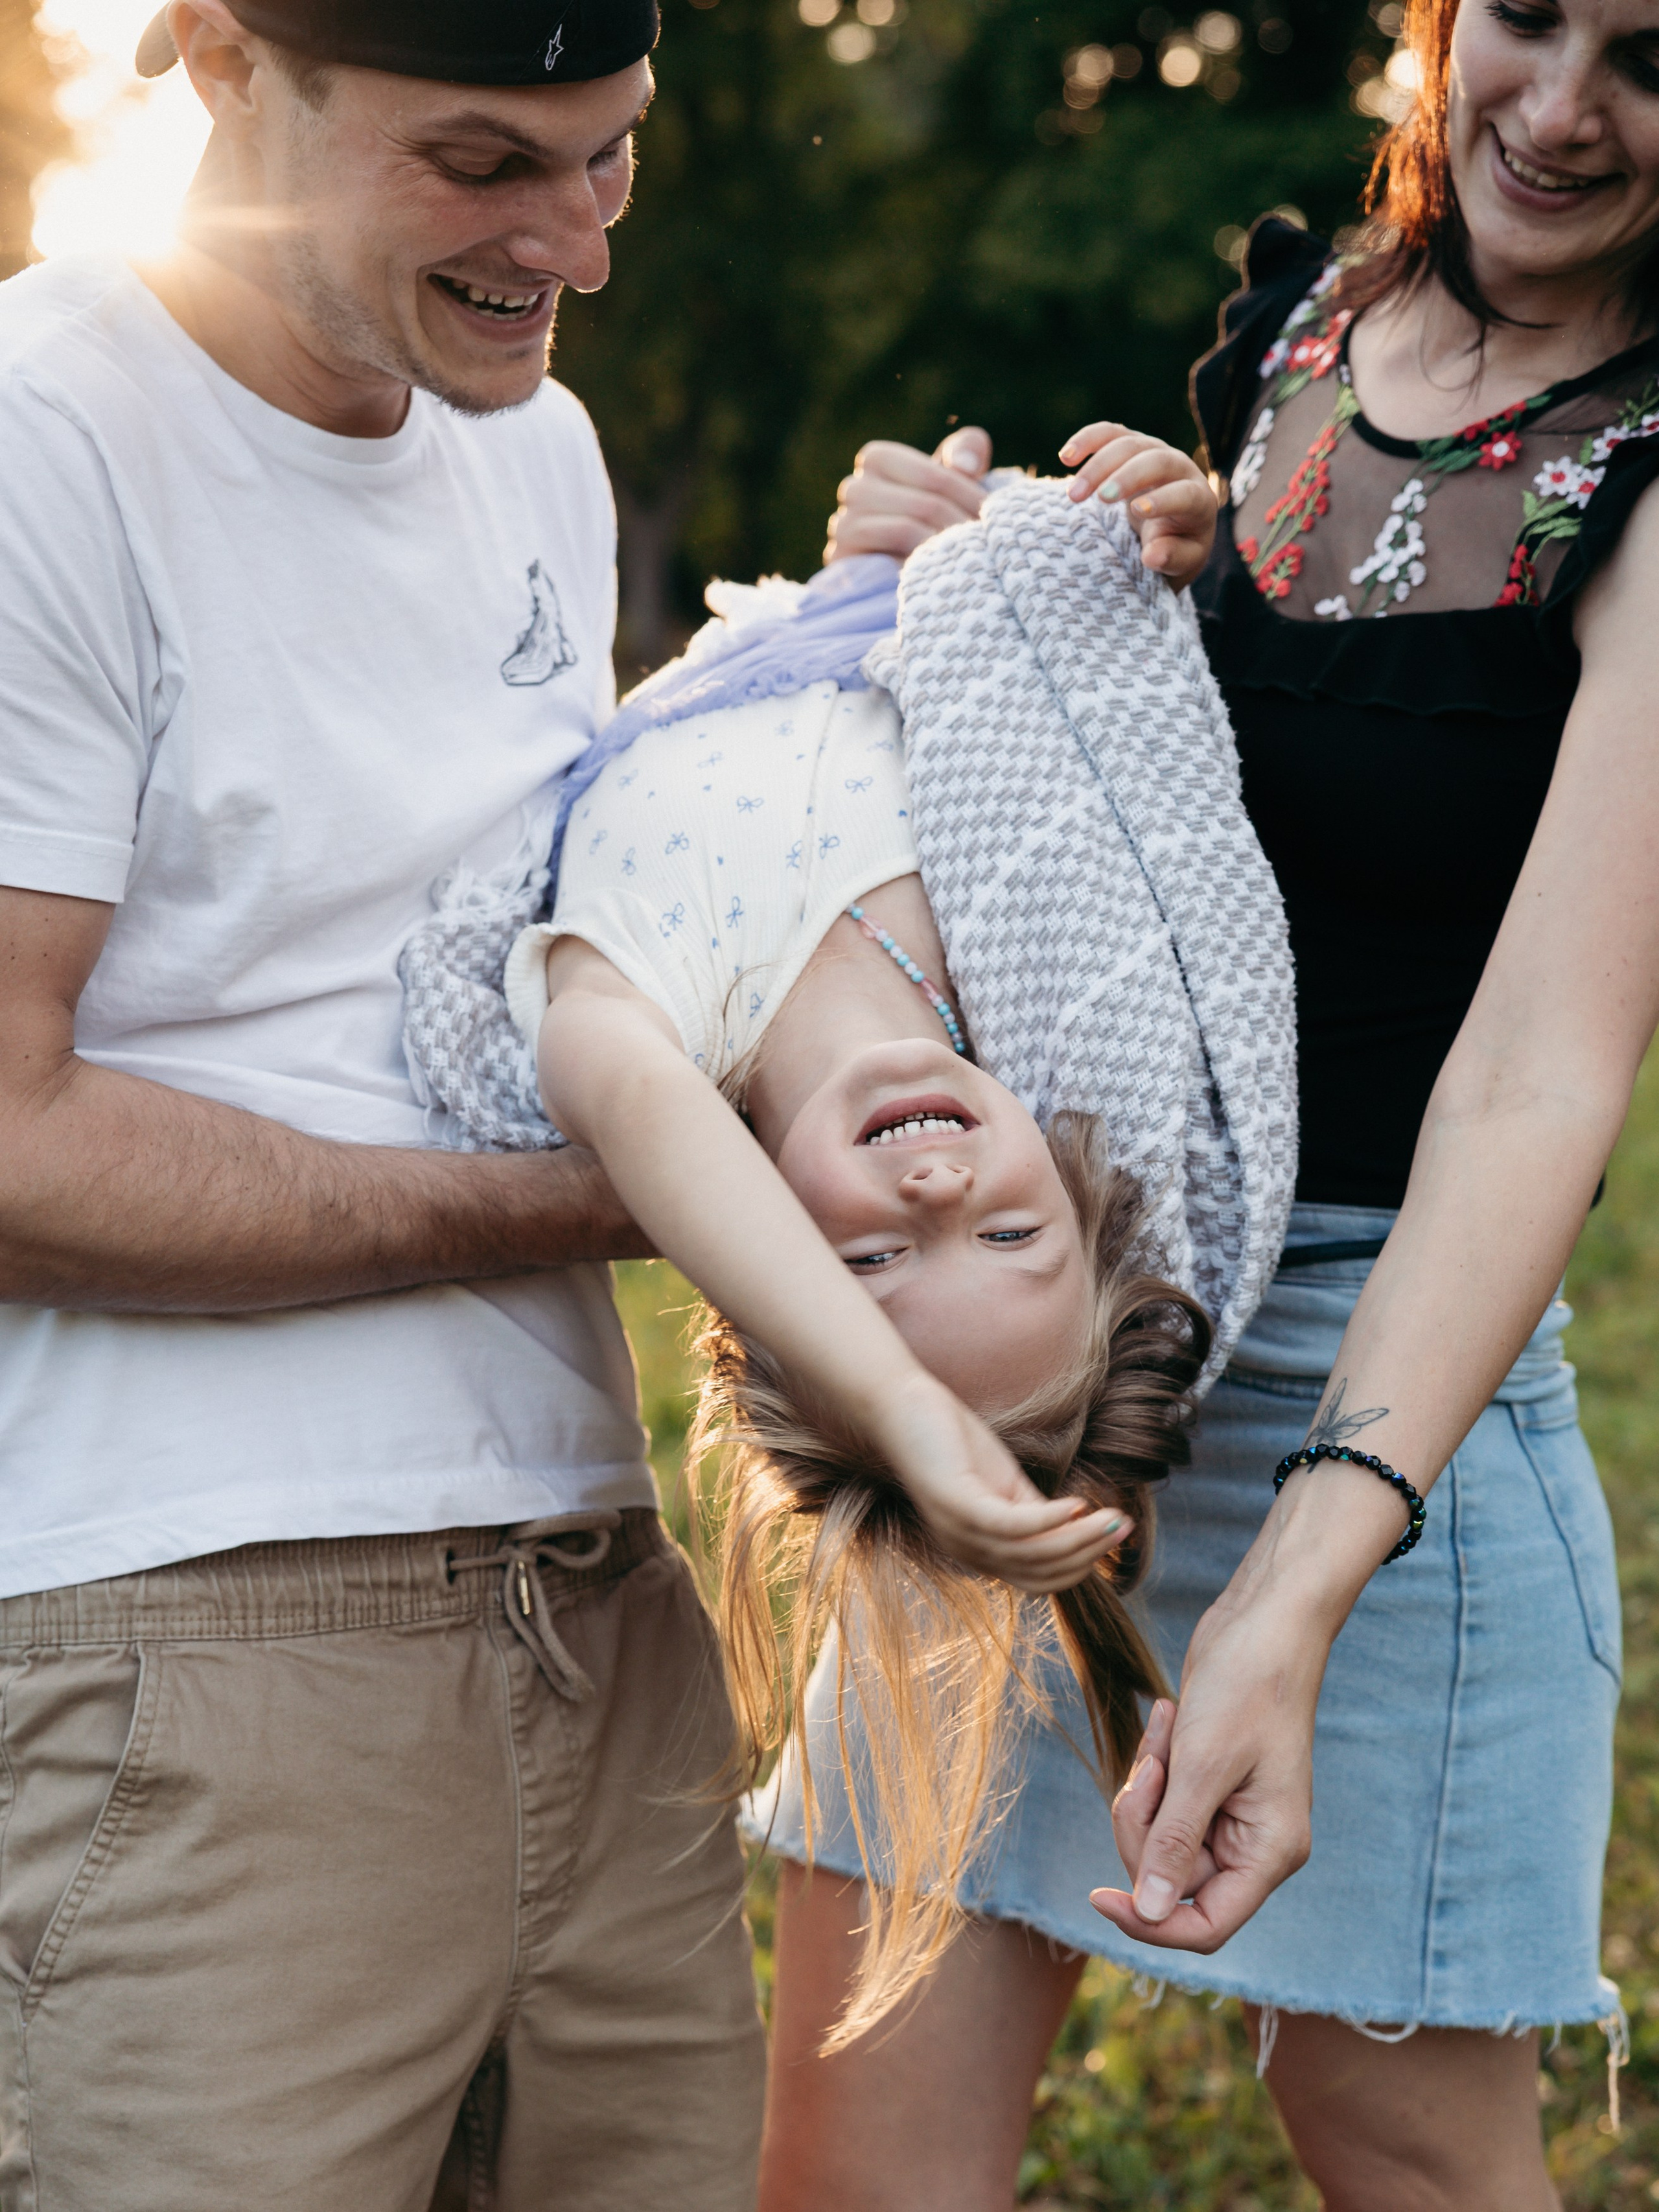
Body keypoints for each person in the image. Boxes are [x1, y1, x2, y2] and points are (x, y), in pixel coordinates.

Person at [758, 0, 1659, 2204]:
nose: (1553, 106)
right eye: (1519, 20)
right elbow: (1122, 795)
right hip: (1036, 1328)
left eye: (1651, 54)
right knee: (853, 2157)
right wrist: (996, 560)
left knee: (1406, 2147)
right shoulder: (1299, 323)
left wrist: (1299, 1585)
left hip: (1380, 1382)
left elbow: (1544, 1067)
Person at [0, 3, 771, 2205]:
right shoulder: (42, 441)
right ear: (221, 66)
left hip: (601, 1602)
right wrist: (598, 1199)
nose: (573, 245)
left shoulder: (532, 447)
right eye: (481, 165)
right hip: (188, 1643)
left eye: (608, 158)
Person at [401, 429, 1281, 2042]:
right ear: (1064, 1182)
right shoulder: (1031, 961)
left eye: (866, 1274)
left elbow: (658, 1133)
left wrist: (893, 1413)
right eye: (1011, 1232)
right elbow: (1112, 705)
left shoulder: (642, 1017)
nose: (934, 1202)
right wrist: (1141, 532)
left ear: (764, 1272)